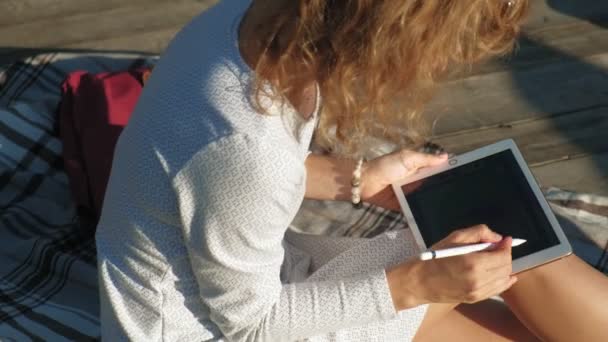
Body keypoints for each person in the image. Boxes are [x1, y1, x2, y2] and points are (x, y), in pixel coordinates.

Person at [95, 0, 608, 341]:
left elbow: (223, 176)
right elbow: (250, 325)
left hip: (246, 287)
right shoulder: (245, 150)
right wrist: (418, 284)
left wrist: (359, 179)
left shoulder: (242, 23)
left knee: (516, 254)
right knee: (520, 252)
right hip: (215, 327)